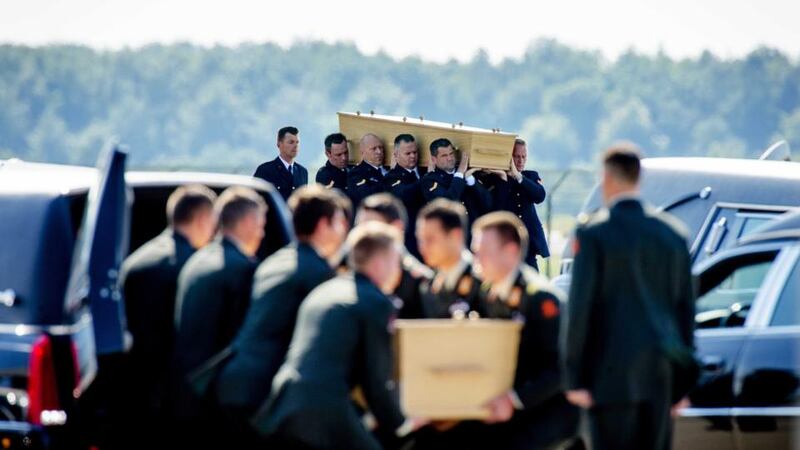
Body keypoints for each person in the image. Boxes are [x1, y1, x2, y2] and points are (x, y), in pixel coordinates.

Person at [564, 143, 695, 450]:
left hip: (608, 375)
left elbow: (580, 308)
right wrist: (682, 385)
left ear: (606, 179)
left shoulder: (595, 233)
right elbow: (685, 312)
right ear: (639, 179)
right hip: (660, 376)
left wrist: (574, 378)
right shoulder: (673, 233)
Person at [252, 222, 427, 450]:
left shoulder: (325, 291)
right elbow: (376, 380)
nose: (399, 270)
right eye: (396, 261)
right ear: (379, 262)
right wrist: (402, 424)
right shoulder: (376, 303)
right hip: (324, 409)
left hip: (286, 403)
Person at [204, 185, 351, 424]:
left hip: (232, 380)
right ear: (323, 225)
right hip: (264, 390)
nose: (343, 230)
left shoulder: (274, 261)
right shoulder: (317, 273)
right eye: (338, 222)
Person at [117, 185, 217, 447]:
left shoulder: (135, 261)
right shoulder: (196, 267)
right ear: (203, 220)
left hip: (134, 388)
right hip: (179, 395)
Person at [469, 212, 580, 450]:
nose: (476, 258)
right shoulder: (488, 293)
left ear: (510, 251)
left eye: (483, 251)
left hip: (549, 407)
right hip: (512, 404)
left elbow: (559, 368)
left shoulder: (540, 298)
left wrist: (513, 400)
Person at [171, 186, 268, 445]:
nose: (262, 232)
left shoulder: (198, 259)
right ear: (248, 222)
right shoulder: (241, 269)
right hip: (216, 397)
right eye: (261, 224)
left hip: (184, 389)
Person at [355, 193, 432, 319]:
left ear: (396, 228)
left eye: (371, 228)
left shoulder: (421, 283)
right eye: (359, 228)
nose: (362, 237)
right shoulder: (347, 275)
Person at [485, 139, 550, 270]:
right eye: (516, 156)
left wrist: (518, 176)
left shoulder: (530, 176)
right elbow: (496, 208)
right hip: (507, 242)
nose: (520, 161)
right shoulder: (495, 179)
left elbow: (539, 196)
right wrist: (504, 179)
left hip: (529, 244)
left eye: (523, 157)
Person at [415, 199, 483, 318]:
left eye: (430, 239)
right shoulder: (427, 286)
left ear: (455, 235)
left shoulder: (482, 281)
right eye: (420, 240)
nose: (423, 247)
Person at [421, 138, 491, 228]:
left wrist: (470, 179)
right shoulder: (429, 180)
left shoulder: (468, 173)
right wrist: (460, 173)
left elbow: (488, 203)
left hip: (472, 233)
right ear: (434, 159)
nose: (450, 158)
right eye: (444, 156)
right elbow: (448, 202)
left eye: (451, 154)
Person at [383, 133, 427, 258]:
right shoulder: (391, 177)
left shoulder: (425, 171)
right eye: (408, 153)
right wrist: (427, 178)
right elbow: (405, 195)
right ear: (396, 155)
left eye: (415, 152)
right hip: (410, 240)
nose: (413, 156)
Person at [254, 126, 308, 201]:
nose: (295, 146)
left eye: (297, 142)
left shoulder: (302, 172)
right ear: (279, 144)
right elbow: (256, 199)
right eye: (291, 142)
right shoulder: (265, 170)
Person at [347, 133, 387, 207]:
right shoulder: (356, 173)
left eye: (380, 147)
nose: (379, 152)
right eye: (374, 148)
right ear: (363, 152)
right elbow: (367, 196)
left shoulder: (389, 169)